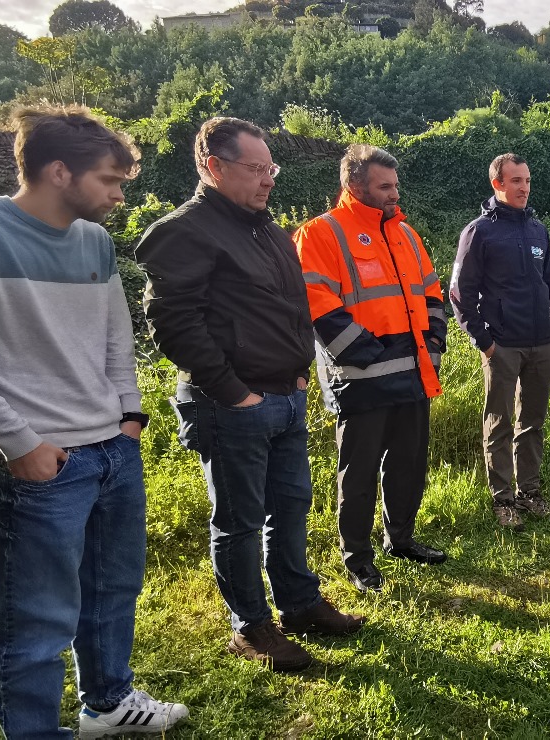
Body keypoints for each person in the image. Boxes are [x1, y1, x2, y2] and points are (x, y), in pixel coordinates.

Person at [0, 105, 187, 738]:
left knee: (112, 591)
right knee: (34, 619)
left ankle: (108, 703)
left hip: (112, 449)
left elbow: (115, 337)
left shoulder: (93, 241)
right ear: (60, 171)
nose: (119, 196)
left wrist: (129, 416)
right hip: (40, 461)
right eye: (109, 180)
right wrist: (17, 443)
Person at [136, 117, 362, 673]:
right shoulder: (184, 232)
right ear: (213, 167)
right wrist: (234, 393)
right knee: (239, 521)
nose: (268, 180)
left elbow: (294, 307)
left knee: (291, 506)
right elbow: (174, 324)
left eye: (271, 168)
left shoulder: (268, 230)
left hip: (286, 394)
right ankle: (252, 627)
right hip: (231, 404)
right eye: (256, 169)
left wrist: (300, 374)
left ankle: (300, 604)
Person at [293, 145, 449, 594]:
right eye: (384, 187)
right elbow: (316, 303)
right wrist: (368, 353)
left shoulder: (405, 234)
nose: (394, 194)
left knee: (408, 466)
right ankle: (358, 559)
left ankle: (400, 540)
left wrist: (434, 343)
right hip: (361, 380)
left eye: (395, 185)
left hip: (414, 374)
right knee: (357, 476)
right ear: (354, 185)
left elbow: (431, 292)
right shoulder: (320, 233)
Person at [449, 153, 550, 531]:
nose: (524, 187)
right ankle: (503, 500)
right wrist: (484, 341)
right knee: (499, 423)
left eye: (527, 180)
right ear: (497, 184)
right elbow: (460, 293)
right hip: (503, 345)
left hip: (542, 342)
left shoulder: (538, 230)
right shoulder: (479, 231)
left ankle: (530, 492)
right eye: (516, 181)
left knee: (533, 422)